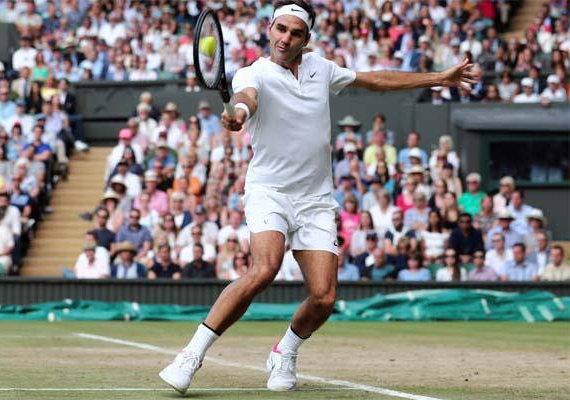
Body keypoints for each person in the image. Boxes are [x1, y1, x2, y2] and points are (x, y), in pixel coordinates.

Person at [159, 1, 478, 393]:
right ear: (269, 29)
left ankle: (284, 351)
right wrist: (238, 114)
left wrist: (438, 78)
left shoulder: (321, 68)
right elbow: (246, 98)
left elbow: (375, 80)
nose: (285, 37)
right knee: (264, 269)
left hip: (315, 199)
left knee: (324, 297)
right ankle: (190, 355)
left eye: (295, 32)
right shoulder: (253, 72)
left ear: (306, 39)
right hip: (269, 192)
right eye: (280, 29)